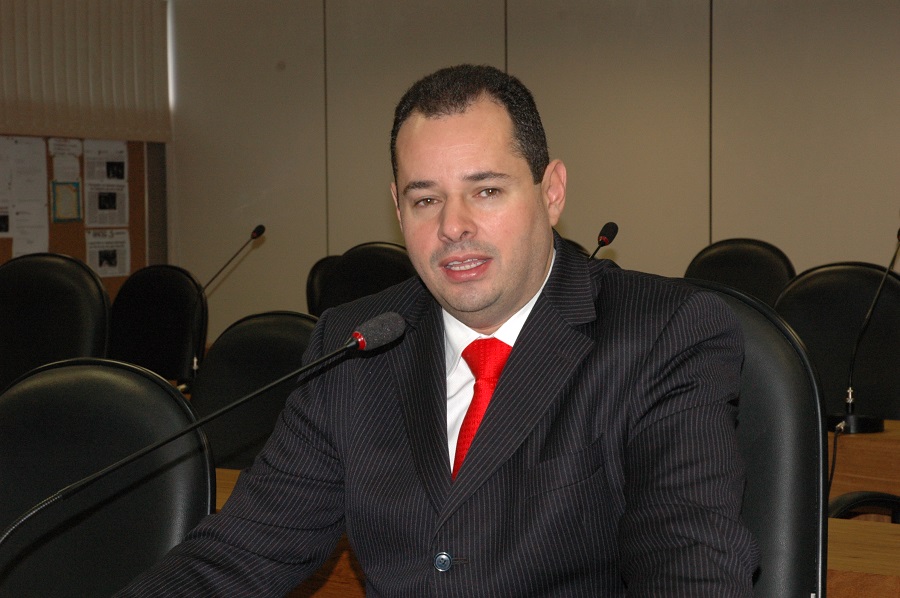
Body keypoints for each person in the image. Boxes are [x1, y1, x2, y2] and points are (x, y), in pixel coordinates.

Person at [119, 64, 758, 596]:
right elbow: (240, 555)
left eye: (485, 191)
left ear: (551, 191)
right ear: (398, 210)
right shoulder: (356, 345)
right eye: (426, 199)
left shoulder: (664, 335)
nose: (453, 226)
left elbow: (689, 571)